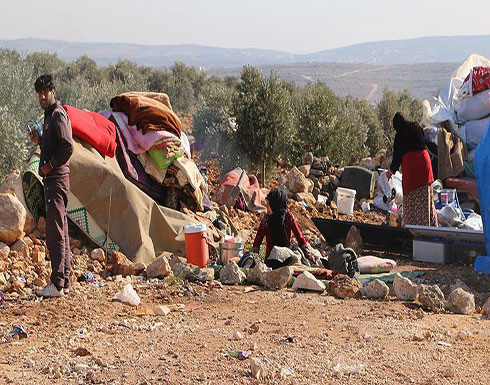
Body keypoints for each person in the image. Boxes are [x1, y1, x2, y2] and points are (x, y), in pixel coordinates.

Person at [30, 75, 74, 298]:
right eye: (39, 93)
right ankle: (64, 281)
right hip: (55, 180)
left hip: (56, 179)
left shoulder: (57, 116)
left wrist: (49, 165)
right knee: (61, 229)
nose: (42, 96)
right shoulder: (49, 116)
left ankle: (56, 284)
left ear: (53, 91)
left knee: (56, 231)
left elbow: (67, 147)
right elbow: (54, 144)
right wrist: (38, 139)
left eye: (45, 92)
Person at [386, 112, 438, 227]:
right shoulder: (416, 127)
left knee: (412, 199)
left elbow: (397, 157)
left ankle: (414, 228)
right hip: (425, 165)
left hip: (413, 169)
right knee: (425, 198)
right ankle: (429, 227)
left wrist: (390, 172)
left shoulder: (400, 135)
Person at [252, 189, 313, 269]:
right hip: (271, 261)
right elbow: (257, 242)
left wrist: (308, 254)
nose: (267, 207)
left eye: (269, 204)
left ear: (275, 204)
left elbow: (300, 237)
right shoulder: (266, 219)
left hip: (286, 258)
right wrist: (255, 260)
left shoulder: (288, 217)